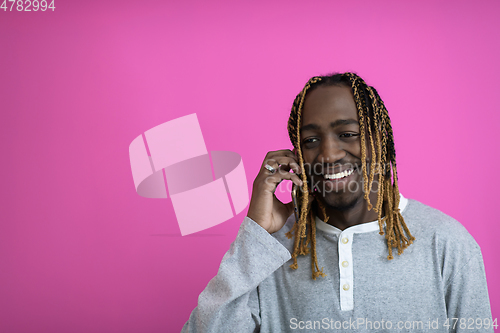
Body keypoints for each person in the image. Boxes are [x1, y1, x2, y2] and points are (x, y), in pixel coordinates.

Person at [181, 73, 494, 332]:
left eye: (347, 133)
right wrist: (257, 234)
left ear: (379, 140)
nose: (329, 154)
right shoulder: (269, 251)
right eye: (311, 141)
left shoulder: (447, 242)